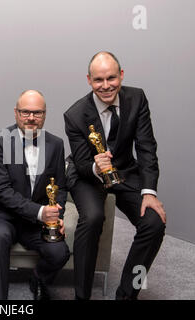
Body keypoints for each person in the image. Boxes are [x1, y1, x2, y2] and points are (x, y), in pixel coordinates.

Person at [63, 51, 166, 300]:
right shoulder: (74, 115)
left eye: (111, 77)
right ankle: (82, 297)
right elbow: (81, 160)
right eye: (98, 80)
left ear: (121, 75)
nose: (106, 85)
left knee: (154, 223)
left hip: (123, 171)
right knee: (93, 219)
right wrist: (97, 167)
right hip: (87, 173)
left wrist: (149, 191)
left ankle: (127, 295)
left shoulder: (137, 98)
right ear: (89, 80)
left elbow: (146, 147)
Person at [0, 90, 70, 300]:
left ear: (45, 114)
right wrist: (41, 212)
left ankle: (38, 277)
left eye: (37, 113)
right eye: (25, 112)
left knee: (60, 253)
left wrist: (56, 216)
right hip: (4, 215)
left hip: (36, 222)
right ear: (16, 113)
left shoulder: (56, 144)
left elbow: (60, 186)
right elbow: (1, 190)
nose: (31, 118)